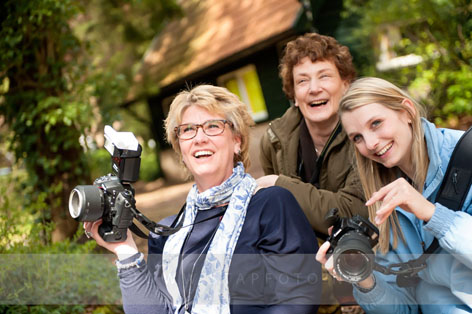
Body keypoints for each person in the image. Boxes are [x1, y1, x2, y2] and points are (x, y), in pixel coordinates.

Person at [85, 85, 321, 314]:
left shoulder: (271, 206)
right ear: (181, 150)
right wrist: (126, 251)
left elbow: (298, 300)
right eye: (187, 130)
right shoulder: (167, 231)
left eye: (212, 126)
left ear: (236, 141)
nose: (199, 138)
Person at [316, 77, 472, 313]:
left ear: (406, 111)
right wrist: (362, 276)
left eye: (376, 123)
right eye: (357, 137)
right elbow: (403, 308)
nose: (370, 143)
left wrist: (431, 214)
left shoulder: (466, 157)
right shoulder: (384, 195)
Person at [257, 32, 367, 311]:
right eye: (302, 80)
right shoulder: (274, 140)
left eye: (324, 76)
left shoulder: (367, 134)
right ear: (293, 95)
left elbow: (353, 210)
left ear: (346, 83)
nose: (313, 88)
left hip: (366, 268)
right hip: (302, 280)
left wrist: (279, 184)